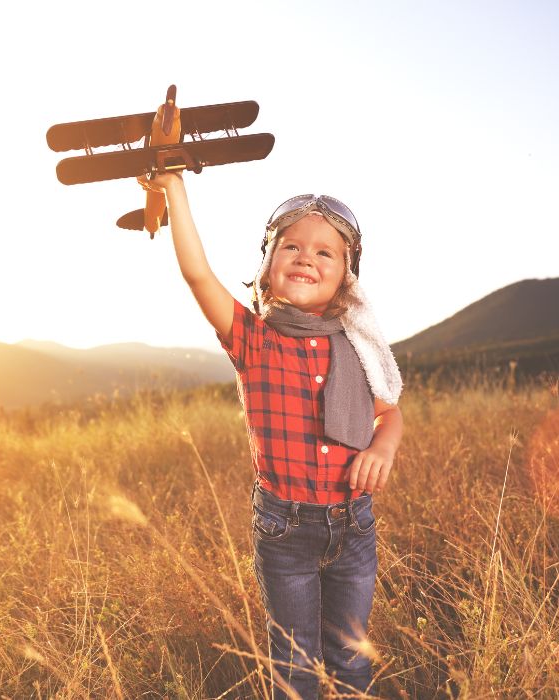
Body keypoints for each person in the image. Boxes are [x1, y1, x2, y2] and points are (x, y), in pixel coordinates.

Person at [138, 172, 404, 699]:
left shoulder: (355, 347)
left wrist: (382, 446)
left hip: (353, 525)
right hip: (286, 532)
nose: (307, 258)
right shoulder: (253, 339)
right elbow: (197, 274)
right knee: (295, 666)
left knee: (351, 659)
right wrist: (174, 188)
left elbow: (388, 413)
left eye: (326, 253)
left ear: (346, 277)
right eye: (292, 247)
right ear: (268, 265)